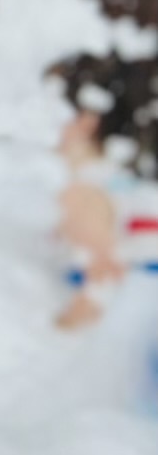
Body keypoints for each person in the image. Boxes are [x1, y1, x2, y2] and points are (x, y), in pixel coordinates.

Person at [51, 53, 158, 328]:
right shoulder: (119, 177)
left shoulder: (83, 192)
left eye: (49, 111)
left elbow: (105, 276)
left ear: (86, 120)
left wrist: (64, 329)